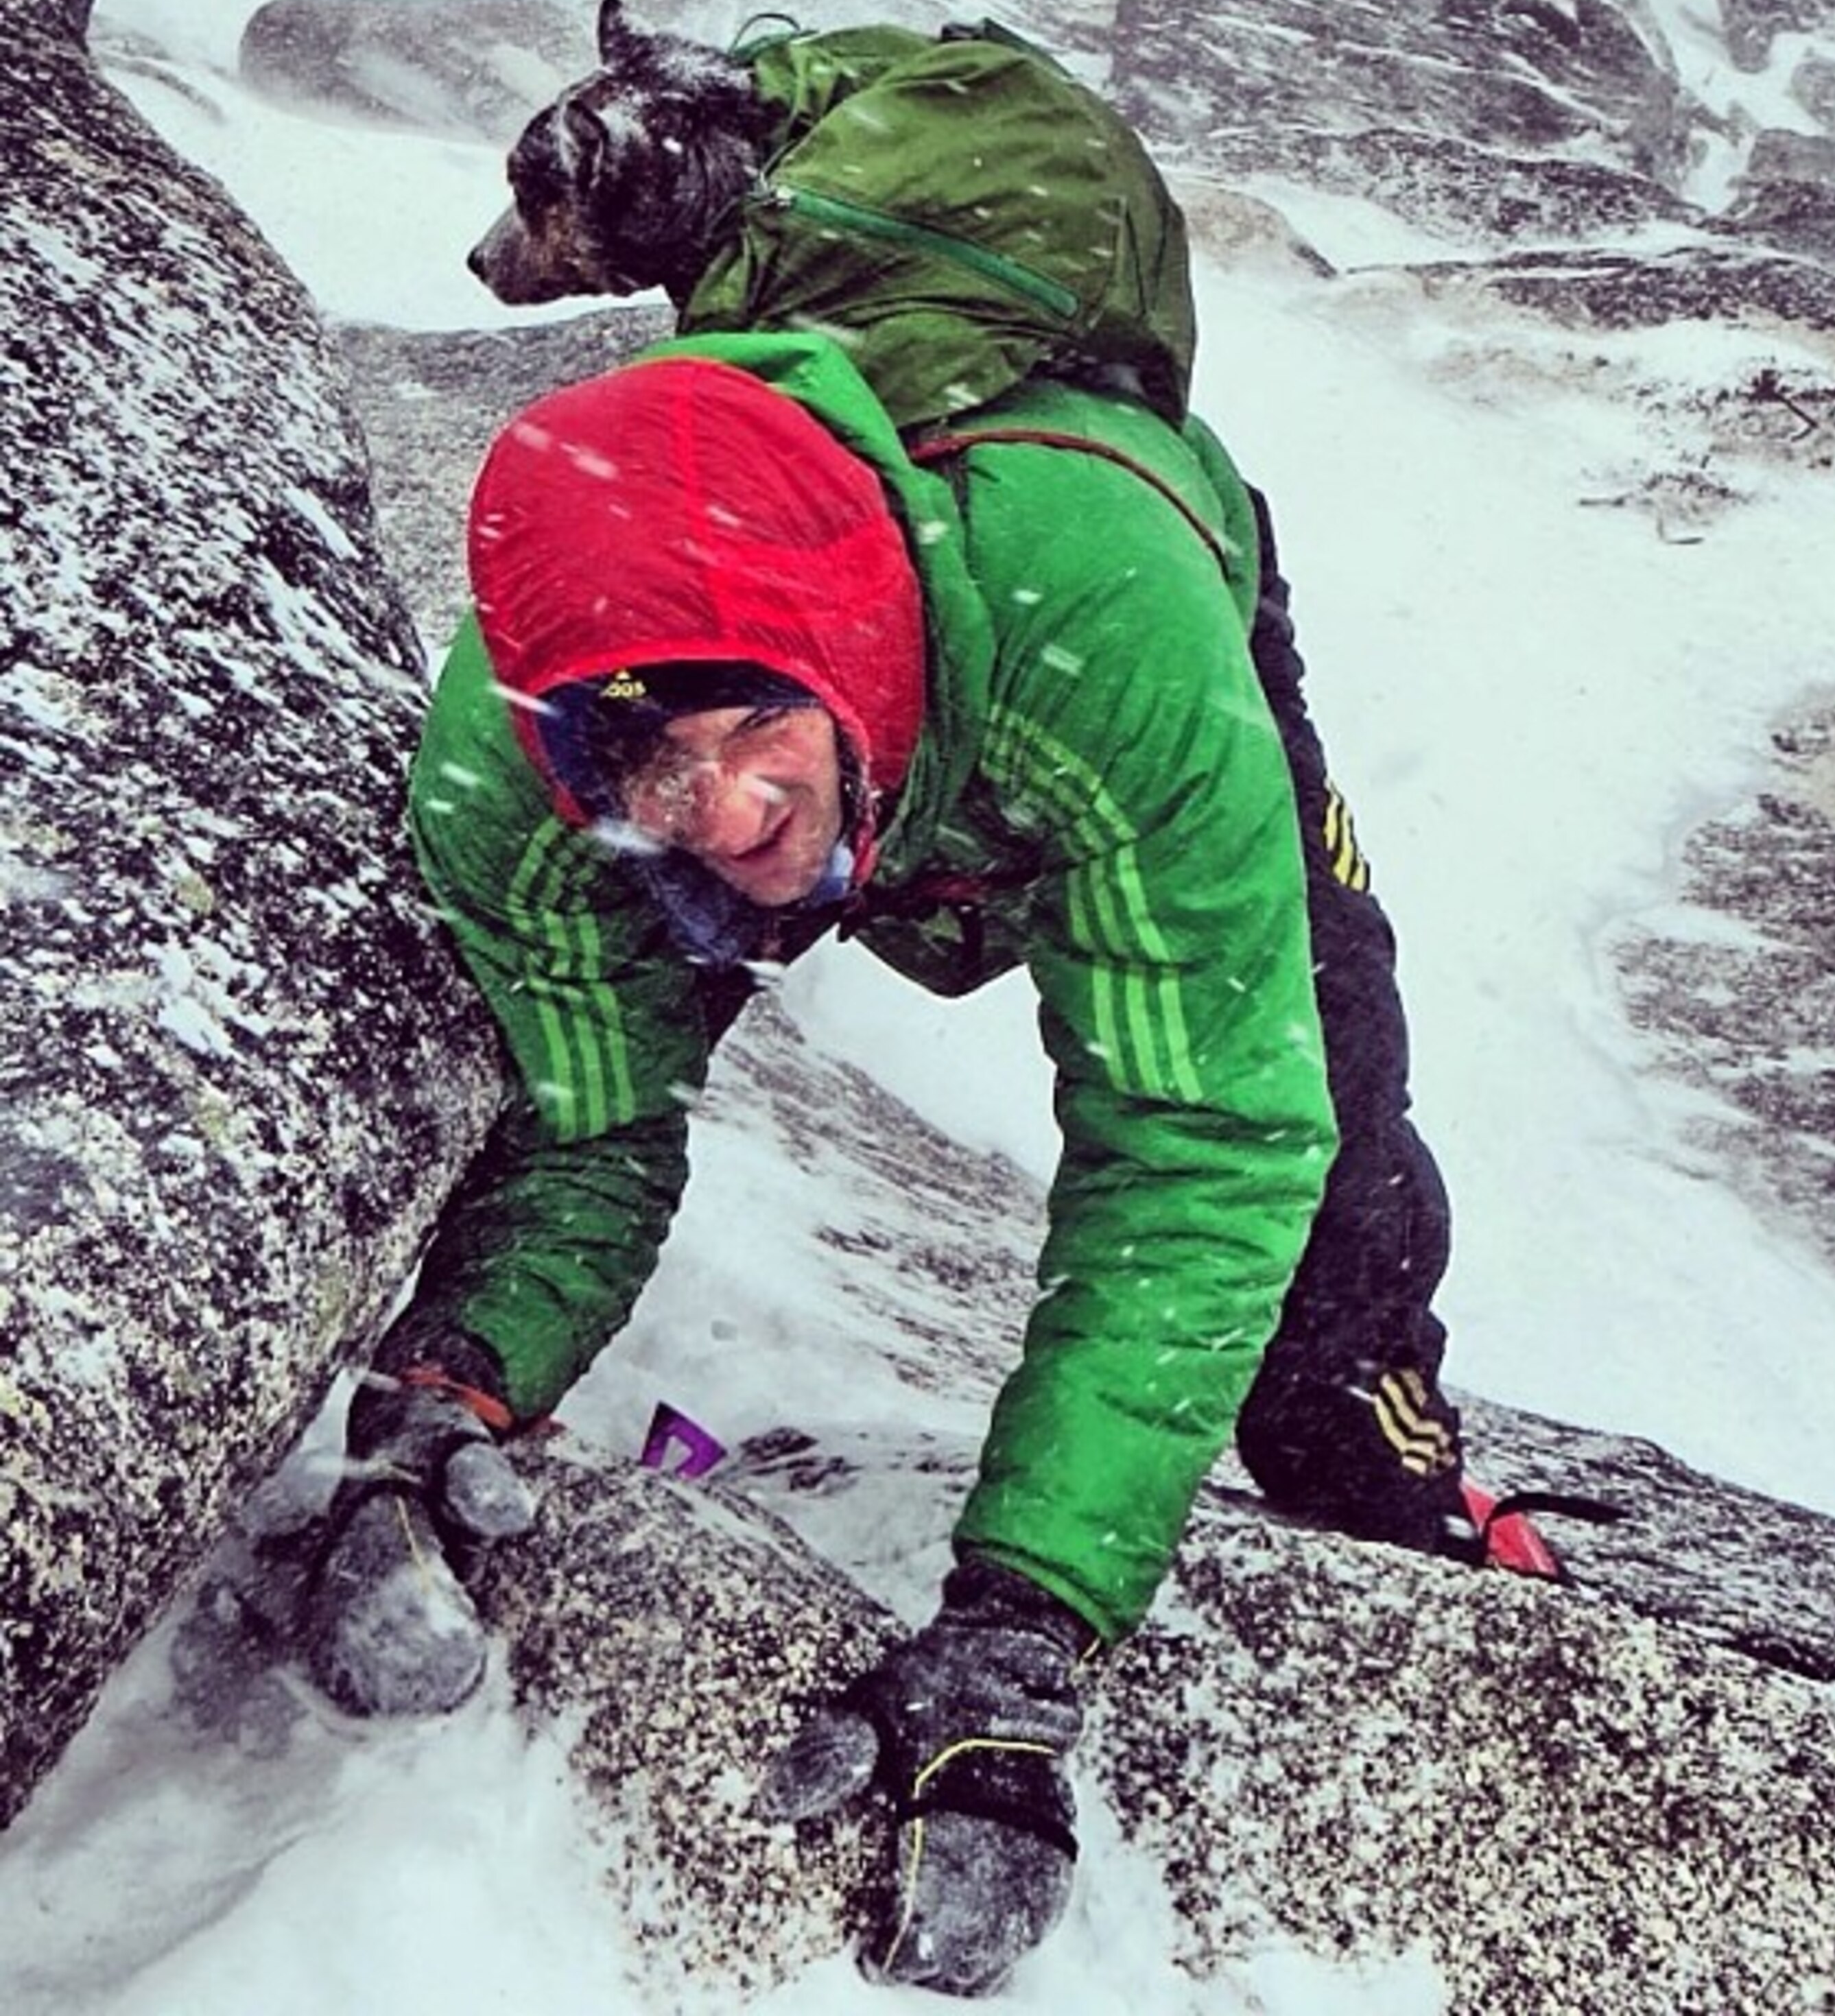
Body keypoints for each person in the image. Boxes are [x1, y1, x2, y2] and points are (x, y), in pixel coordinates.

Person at [303, 327, 1522, 1995]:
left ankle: (1410, 1497)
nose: (718, 806)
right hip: (909, 724)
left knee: (1321, 1098)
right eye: (653, 768)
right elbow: (590, 1117)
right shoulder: (519, 779)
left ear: (821, 644)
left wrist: (1029, 1624)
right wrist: (458, 1388)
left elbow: (1201, 1141)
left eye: (739, 725)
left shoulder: (1113, 635)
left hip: (1095, 638)